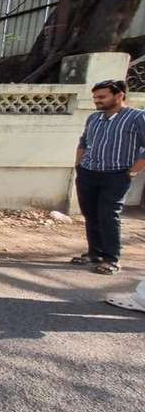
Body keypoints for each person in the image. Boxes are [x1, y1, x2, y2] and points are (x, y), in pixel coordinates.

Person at [71, 79, 145, 274]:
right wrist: (79, 165)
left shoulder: (137, 118)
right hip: (88, 173)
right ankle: (94, 253)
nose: (97, 101)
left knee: (108, 216)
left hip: (116, 176)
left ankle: (111, 258)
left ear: (119, 95)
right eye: (95, 97)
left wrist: (133, 171)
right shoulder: (94, 119)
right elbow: (84, 143)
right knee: (91, 214)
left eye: (102, 97)